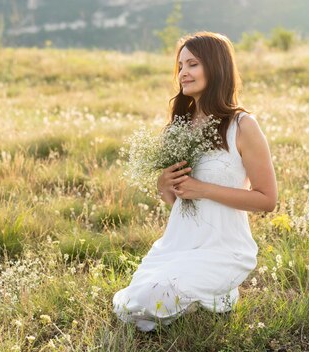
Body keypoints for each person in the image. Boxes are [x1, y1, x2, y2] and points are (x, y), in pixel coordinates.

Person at [112, 31, 278, 332]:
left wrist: (203, 189)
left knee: (154, 300)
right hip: (179, 243)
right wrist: (164, 186)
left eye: (193, 64)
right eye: (180, 66)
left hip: (224, 247)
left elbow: (267, 199)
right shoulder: (179, 127)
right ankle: (209, 298)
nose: (183, 73)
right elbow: (179, 203)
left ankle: (219, 294)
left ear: (216, 67)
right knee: (133, 304)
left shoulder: (242, 125)